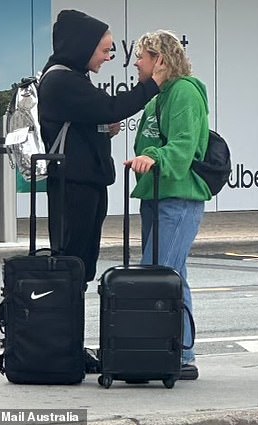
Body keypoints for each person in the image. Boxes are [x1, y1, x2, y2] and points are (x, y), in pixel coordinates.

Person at [38, 9, 166, 373]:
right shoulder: (61, 80)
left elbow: (89, 118)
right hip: (73, 186)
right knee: (72, 268)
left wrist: (101, 131)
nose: (108, 58)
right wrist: (151, 85)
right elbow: (111, 106)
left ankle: (71, 346)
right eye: (104, 51)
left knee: (81, 268)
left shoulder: (72, 77)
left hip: (85, 182)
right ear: (82, 47)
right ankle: (66, 350)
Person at [125, 30, 211, 380]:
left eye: (141, 58)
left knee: (158, 275)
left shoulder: (185, 93)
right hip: (157, 195)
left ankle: (160, 352)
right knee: (173, 276)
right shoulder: (157, 98)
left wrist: (153, 157)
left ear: (159, 59)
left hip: (178, 197)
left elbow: (183, 146)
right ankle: (182, 353)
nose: (136, 64)